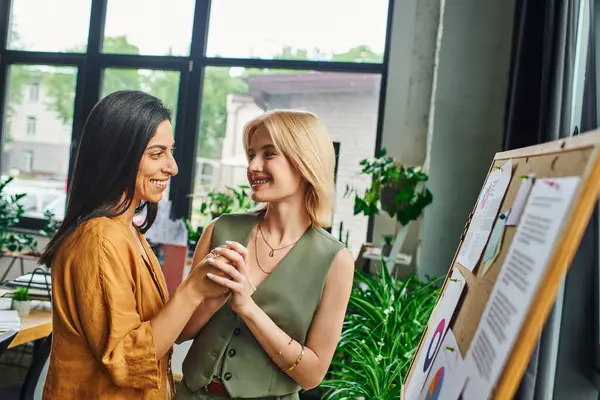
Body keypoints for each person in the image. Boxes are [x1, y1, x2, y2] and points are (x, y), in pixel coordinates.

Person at [40, 90, 230, 400]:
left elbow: (160, 334)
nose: (172, 167)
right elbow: (127, 360)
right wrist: (192, 288)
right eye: (157, 154)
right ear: (119, 157)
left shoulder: (128, 231)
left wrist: (209, 295)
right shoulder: (100, 239)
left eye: (171, 151)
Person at [175, 109, 355, 399]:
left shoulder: (335, 260)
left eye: (269, 154)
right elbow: (179, 332)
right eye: (251, 154)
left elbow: (312, 375)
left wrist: (248, 308)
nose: (253, 166)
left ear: (304, 163)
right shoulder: (220, 230)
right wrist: (208, 301)